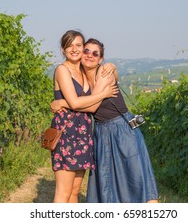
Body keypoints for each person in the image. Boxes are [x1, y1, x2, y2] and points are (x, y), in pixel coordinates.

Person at [51, 38, 159, 203]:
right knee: (109, 182)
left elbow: (92, 106)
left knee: (135, 177)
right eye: (86, 51)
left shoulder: (103, 73)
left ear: (101, 59)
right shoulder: (80, 75)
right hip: (101, 132)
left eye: (96, 53)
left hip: (121, 130)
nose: (90, 55)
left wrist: (63, 103)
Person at [50, 30, 118, 203]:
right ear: (63, 49)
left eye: (78, 45)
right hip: (66, 131)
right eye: (69, 45)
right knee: (64, 192)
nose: (74, 49)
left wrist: (113, 67)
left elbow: (91, 104)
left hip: (83, 131)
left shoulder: (83, 70)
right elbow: (74, 103)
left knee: (74, 191)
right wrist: (103, 94)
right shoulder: (62, 70)